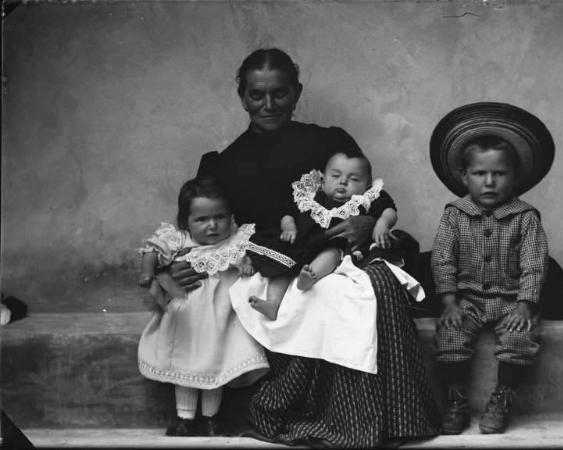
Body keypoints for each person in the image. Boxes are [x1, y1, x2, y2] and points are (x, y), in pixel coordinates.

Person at [167, 48, 441, 447]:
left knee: (376, 282)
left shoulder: (328, 142)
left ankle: (395, 418)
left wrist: (366, 224)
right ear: (242, 96)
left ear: (296, 93)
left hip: (340, 250)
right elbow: (201, 226)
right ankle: (333, 418)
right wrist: (180, 261)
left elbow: (373, 197)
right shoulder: (223, 165)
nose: (268, 104)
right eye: (257, 95)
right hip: (275, 259)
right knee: (314, 294)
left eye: (279, 93)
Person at [431, 134, 550, 435]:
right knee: (450, 334)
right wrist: (449, 302)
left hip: (511, 300)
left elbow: (534, 264)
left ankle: (502, 398)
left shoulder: (525, 218)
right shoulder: (454, 216)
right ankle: (456, 399)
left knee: (519, 339)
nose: (489, 182)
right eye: (479, 173)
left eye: (499, 174)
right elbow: (443, 259)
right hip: (467, 299)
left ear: (514, 177)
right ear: (464, 176)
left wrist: (525, 305)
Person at [137, 177, 269, 437]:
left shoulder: (233, 241)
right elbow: (152, 250)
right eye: (202, 220)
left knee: (214, 363)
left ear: (230, 217)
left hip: (220, 316)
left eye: (220, 217)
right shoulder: (179, 240)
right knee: (185, 364)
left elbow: (245, 259)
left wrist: (245, 265)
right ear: (186, 221)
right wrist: (147, 273)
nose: (212, 226)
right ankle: (185, 419)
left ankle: (211, 419)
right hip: (187, 315)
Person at [247, 148, 398, 320]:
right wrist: (289, 227)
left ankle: (310, 276)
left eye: (354, 179)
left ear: (367, 185)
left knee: (331, 254)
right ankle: (272, 304)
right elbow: (288, 213)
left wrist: (382, 223)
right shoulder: (311, 196)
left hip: (332, 243)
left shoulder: (365, 199)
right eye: (335, 176)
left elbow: (389, 210)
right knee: (281, 267)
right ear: (323, 179)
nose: (342, 182)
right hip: (301, 242)